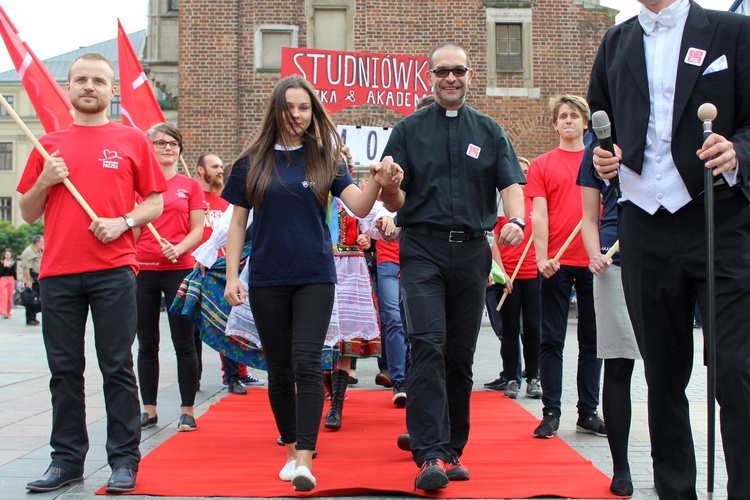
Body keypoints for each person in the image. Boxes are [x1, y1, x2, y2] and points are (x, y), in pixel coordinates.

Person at [588, 1, 750, 497]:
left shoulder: (733, 31)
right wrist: (603, 158)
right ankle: (676, 491)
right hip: (644, 224)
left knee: (736, 370)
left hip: (719, 218)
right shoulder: (615, 42)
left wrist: (738, 151)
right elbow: (603, 123)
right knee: (662, 374)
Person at [222, 75, 395, 492]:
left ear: (312, 112)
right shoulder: (252, 160)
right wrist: (231, 276)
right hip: (265, 277)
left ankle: (304, 459)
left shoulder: (325, 157)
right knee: (278, 369)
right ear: (276, 111)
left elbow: (357, 203)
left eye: (304, 108)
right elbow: (238, 223)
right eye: (290, 107)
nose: (296, 115)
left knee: (306, 361)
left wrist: (376, 179)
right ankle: (289, 450)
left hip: (316, 276)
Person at [375, 42, 526, 491]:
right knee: (426, 345)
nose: (450, 79)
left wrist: (515, 219)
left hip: (473, 251)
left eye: (457, 70)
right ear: (430, 77)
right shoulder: (406, 131)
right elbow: (393, 200)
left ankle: (452, 446)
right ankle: (430, 454)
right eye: (441, 72)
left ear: (469, 74)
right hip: (421, 247)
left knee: (459, 354)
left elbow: (511, 184)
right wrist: (391, 188)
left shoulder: (490, 130)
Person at [17, 52, 166, 493]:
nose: (88, 86)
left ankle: (124, 460)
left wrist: (122, 222)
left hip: (114, 269)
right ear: (68, 88)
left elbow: (153, 202)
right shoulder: (47, 144)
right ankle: (66, 461)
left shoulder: (132, 140)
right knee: (64, 370)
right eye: (80, 79)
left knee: (117, 365)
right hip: (58, 272)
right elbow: (27, 212)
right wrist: (45, 179)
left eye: (98, 81)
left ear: (111, 91)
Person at [525, 95, 603, 440]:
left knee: (593, 341)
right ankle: (551, 411)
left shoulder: (600, 161)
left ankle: (588, 411)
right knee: (551, 338)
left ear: (586, 124)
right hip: (556, 263)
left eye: (575, 116)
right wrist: (541, 257)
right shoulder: (542, 165)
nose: (569, 121)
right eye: (563, 116)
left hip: (594, 261)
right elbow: (538, 213)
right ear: (555, 124)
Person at [579, 143, 640, 496]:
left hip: (663, 254)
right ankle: (622, 467)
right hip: (614, 262)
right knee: (618, 364)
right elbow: (589, 217)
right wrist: (593, 254)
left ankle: (670, 462)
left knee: (667, 370)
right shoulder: (597, 149)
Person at [136, 123, 204, 433]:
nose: (167, 148)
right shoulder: (137, 187)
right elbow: (131, 229)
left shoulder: (190, 185)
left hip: (179, 269)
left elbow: (197, 230)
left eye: (173, 143)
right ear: (149, 147)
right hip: (143, 271)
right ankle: (148, 408)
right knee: (147, 343)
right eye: (160, 143)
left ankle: (187, 409)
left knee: (184, 342)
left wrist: (178, 249)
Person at [194, 152, 264, 395]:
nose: (220, 171)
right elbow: (231, 223)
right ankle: (231, 375)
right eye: (215, 166)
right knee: (231, 314)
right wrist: (208, 252)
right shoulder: (245, 194)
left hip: (269, 259)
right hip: (240, 260)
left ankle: (242, 372)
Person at [494, 156, 542, 400]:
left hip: (532, 273)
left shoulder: (538, 203)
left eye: (526, 172)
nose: (523, 177)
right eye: (519, 172)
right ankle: (512, 377)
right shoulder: (505, 205)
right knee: (510, 328)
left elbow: (544, 236)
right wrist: (501, 273)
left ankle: (534, 377)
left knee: (533, 327)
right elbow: (493, 242)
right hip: (508, 276)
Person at [20, 235, 43, 325]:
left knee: (36, 298)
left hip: (37, 277)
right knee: (30, 298)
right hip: (31, 278)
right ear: (37, 242)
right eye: (42, 242)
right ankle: (30, 318)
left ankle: (34, 316)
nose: (43, 243)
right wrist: (28, 280)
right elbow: (26, 267)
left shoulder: (39, 251)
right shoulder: (28, 251)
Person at [1, 248, 16, 318]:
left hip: (11, 279)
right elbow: (1, 273)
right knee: (4, 296)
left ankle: (8, 311)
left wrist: (11, 266)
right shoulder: (1, 262)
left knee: (10, 296)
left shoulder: (13, 262)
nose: (8, 256)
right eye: (7, 254)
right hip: (3, 279)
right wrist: (5, 266)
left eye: (9, 254)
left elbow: (13, 273)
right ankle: (3, 312)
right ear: (4, 255)